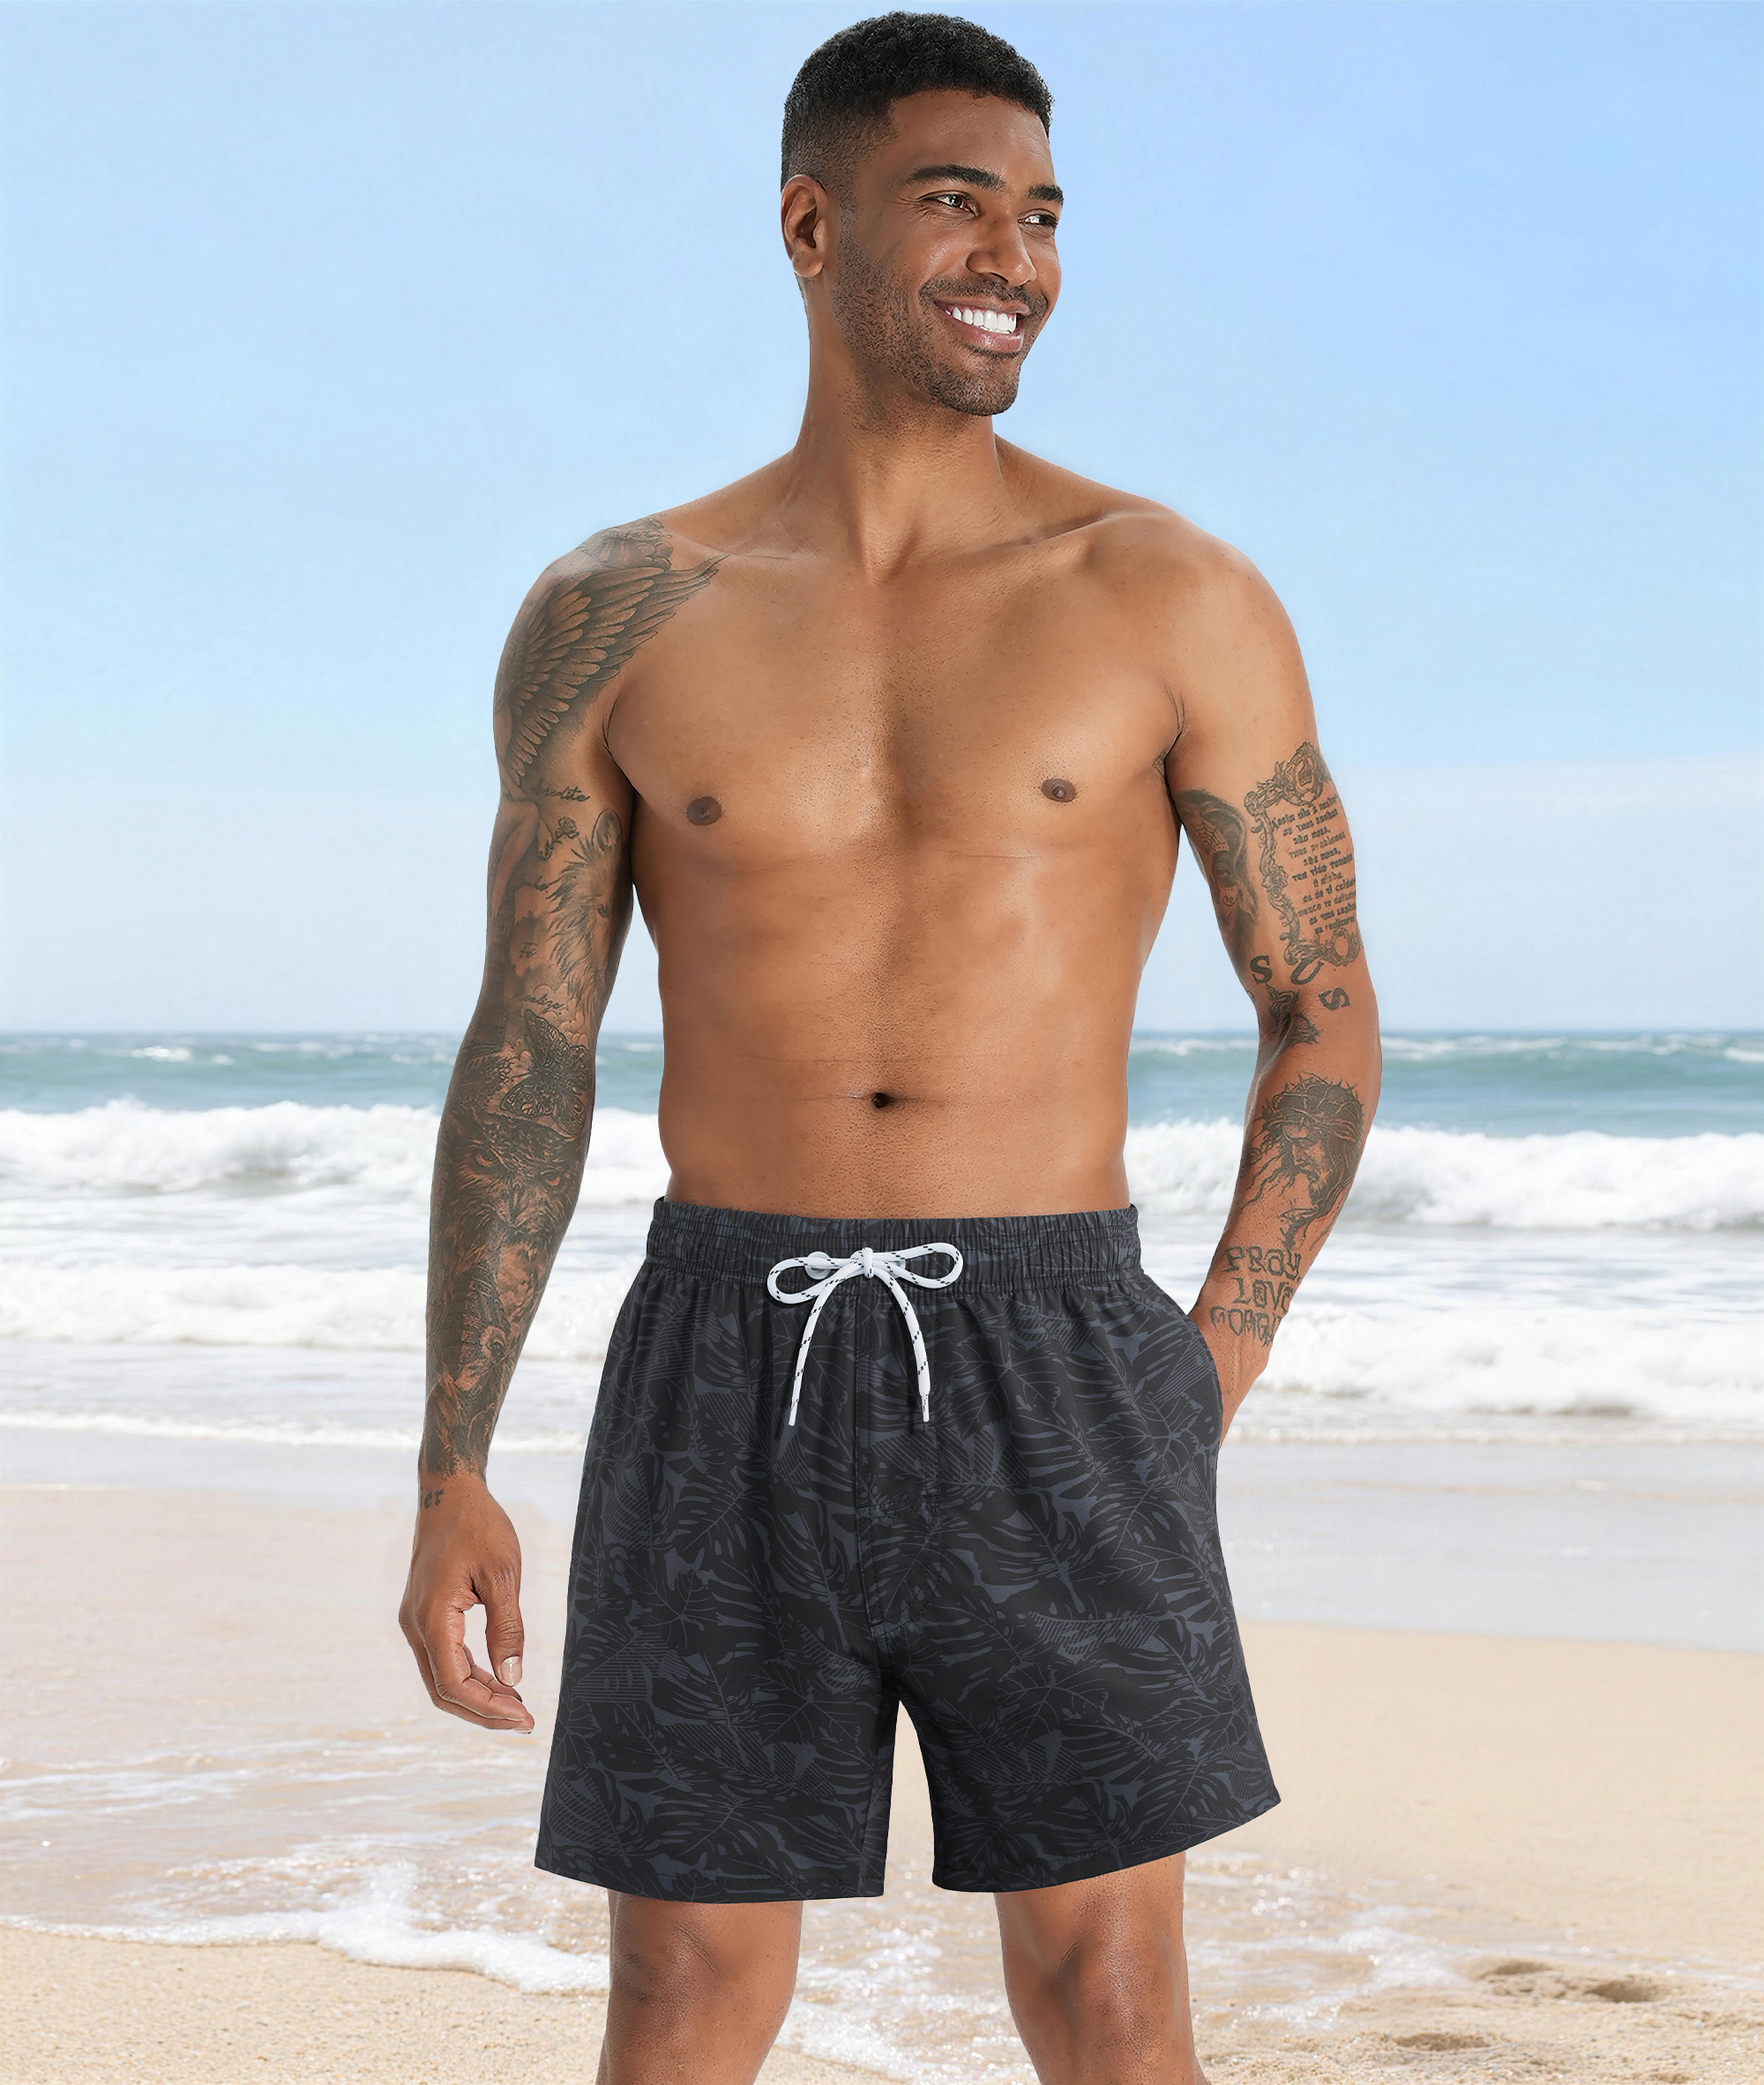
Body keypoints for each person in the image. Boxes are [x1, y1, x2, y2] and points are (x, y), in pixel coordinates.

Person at [400, 13, 1379, 2082]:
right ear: (808, 224)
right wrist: (451, 1458)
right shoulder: (616, 608)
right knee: (683, 1992)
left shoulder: (1166, 591)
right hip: (719, 1351)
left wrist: (1208, 1356)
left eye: (1043, 215)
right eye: (956, 201)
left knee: (1106, 1991)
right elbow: (531, 1047)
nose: (1013, 255)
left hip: (1055, 1347)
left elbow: (1320, 1000)